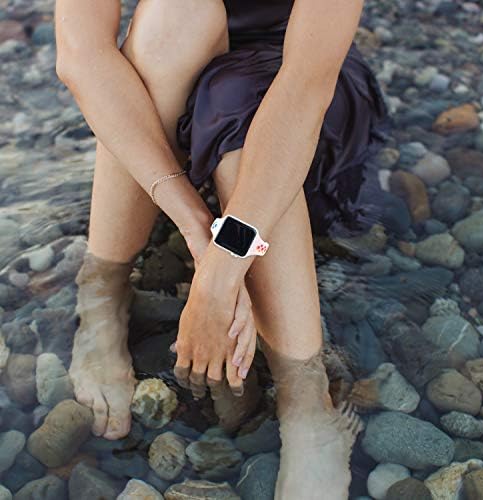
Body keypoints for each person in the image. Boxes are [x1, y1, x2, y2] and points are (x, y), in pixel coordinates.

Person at [55, 0, 390, 497]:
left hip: (306, 97)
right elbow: (81, 55)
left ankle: (306, 401)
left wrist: (219, 273)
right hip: (175, 83)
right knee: (172, 17)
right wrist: (196, 228)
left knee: (233, 103)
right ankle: (103, 290)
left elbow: (304, 87)